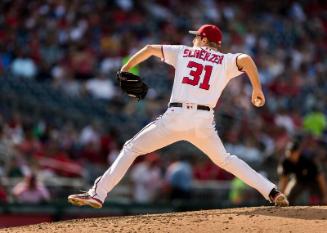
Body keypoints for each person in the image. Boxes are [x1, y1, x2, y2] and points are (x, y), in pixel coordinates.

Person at [68, 24, 288, 208]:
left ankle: (98, 194)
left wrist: (126, 67)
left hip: (177, 115)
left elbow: (149, 48)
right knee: (225, 160)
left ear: (202, 39)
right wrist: (257, 89)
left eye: (196, 37)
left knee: (131, 148)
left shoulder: (184, 51)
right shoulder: (225, 61)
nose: (193, 40)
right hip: (203, 121)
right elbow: (247, 59)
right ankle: (272, 191)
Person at [278, 139, 327, 205]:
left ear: (298, 152)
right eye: (289, 152)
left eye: (293, 152)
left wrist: (325, 195)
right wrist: (281, 196)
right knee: (288, 195)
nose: (290, 154)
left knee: (322, 199)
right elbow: (284, 179)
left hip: (313, 181)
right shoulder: (285, 162)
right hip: (299, 180)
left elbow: (320, 177)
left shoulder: (307, 160)